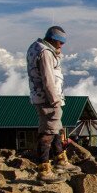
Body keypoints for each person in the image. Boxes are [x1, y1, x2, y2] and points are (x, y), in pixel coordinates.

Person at [27, 26, 71, 178]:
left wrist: (56, 54)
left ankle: (60, 159)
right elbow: (48, 79)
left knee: (56, 128)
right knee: (47, 131)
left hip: (41, 96)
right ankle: (44, 168)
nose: (62, 46)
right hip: (48, 98)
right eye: (60, 42)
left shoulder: (36, 48)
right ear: (53, 40)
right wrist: (54, 100)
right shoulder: (45, 53)